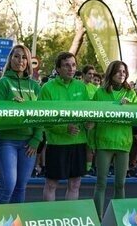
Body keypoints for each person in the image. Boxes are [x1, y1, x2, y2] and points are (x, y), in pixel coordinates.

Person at [0, 44, 42, 204]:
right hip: (8, 141)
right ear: (10, 59)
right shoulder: (2, 84)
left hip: (29, 144)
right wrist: (10, 105)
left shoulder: (35, 86)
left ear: (28, 61)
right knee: (8, 186)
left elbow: (42, 116)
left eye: (23, 57)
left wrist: (36, 140)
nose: (20, 60)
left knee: (20, 187)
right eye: (16, 56)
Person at [39, 52, 90, 201]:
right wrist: (64, 128)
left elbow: (87, 112)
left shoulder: (81, 87)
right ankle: (48, 221)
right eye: (66, 65)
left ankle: (69, 218)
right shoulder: (47, 88)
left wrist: (89, 123)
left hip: (79, 142)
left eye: (73, 65)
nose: (71, 68)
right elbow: (44, 117)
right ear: (58, 68)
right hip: (57, 143)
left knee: (75, 184)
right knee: (51, 184)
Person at [91, 60, 137, 218]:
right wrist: (91, 144)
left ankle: (119, 219)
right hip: (104, 142)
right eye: (118, 71)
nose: (122, 74)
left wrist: (130, 107)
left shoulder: (131, 94)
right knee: (101, 183)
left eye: (124, 72)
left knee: (120, 184)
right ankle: (98, 219)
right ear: (111, 73)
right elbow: (92, 118)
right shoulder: (100, 93)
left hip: (123, 143)